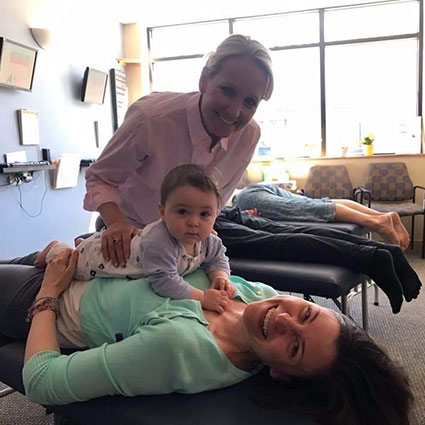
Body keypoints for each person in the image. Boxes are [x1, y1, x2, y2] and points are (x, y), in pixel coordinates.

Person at [0, 250, 413, 425]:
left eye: (294, 345)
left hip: (48, 299)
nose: (284, 319)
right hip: (86, 264)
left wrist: (49, 292)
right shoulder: (259, 295)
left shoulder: (182, 348)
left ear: (282, 374)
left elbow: (43, 381)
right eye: (305, 312)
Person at [83, 34, 274, 267]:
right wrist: (116, 224)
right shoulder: (150, 120)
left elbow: (219, 197)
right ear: (204, 79)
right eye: (227, 90)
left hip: (189, 239)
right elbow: (99, 177)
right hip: (128, 233)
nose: (235, 111)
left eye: (250, 102)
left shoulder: (249, 135)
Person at [35, 165, 235, 314]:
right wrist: (202, 298)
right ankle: (54, 248)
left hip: (120, 254)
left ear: (216, 214)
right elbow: (164, 281)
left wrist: (220, 277)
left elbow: (218, 260)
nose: (193, 222)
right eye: (182, 211)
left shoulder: (209, 240)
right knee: (71, 262)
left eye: (204, 214)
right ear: (163, 212)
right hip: (97, 260)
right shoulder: (161, 240)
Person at [213, 206, 422, 314]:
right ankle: (382, 250)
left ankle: (372, 258)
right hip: (219, 207)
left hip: (207, 217)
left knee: (275, 242)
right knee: (289, 231)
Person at [232, 183, 410, 249]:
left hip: (243, 200)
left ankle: (377, 222)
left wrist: (238, 214)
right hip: (254, 191)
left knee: (313, 209)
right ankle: (381, 216)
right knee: (317, 204)